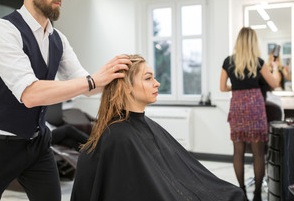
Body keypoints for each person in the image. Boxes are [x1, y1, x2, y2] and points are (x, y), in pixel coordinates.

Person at [0, 0, 131, 200]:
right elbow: (31, 94)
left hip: (37, 144)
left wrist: (123, 80)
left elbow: (86, 86)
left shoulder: (59, 40)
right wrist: (92, 81)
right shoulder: (2, 30)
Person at [71, 55, 246, 201]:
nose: (157, 84)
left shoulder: (140, 127)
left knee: (234, 194)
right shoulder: (119, 137)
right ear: (127, 88)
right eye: (148, 78)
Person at [220, 27, 280, 201]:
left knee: (238, 151)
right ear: (253, 42)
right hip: (255, 106)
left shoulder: (228, 61)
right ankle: (257, 195)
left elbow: (223, 88)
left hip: (238, 105)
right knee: (258, 153)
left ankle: (242, 192)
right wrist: (274, 67)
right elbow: (274, 83)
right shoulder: (259, 62)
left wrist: (238, 87)